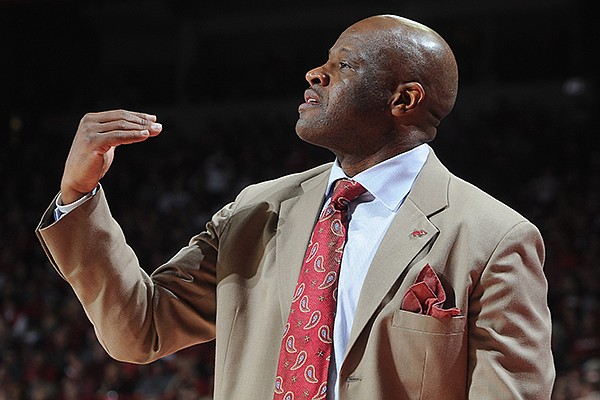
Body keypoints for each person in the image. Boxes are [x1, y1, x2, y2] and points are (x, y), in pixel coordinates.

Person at [36, 14, 555, 399]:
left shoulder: (493, 236)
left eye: (343, 65)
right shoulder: (254, 212)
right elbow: (140, 328)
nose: (313, 73)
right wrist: (78, 195)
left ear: (405, 100)